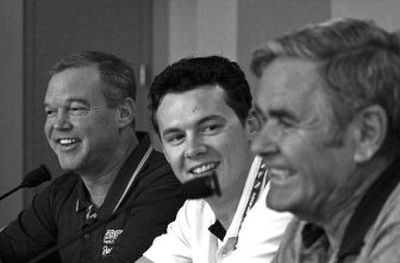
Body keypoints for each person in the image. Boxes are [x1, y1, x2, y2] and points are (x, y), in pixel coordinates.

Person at [0, 51, 185, 263]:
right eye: (50, 112)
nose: (58, 124)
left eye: (76, 109)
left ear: (123, 113)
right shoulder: (61, 192)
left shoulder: (166, 187)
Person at [250, 18, 400, 263]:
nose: (259, 146)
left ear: (366, 133)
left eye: (285, 122)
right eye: (263, 120)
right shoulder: (310, 223)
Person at [136, 56, 291, 263]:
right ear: (164, 151)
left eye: (210, 128)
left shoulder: (285, 192)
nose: (192, 149)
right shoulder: (197, 207)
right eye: (176, 137)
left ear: (252, 126)